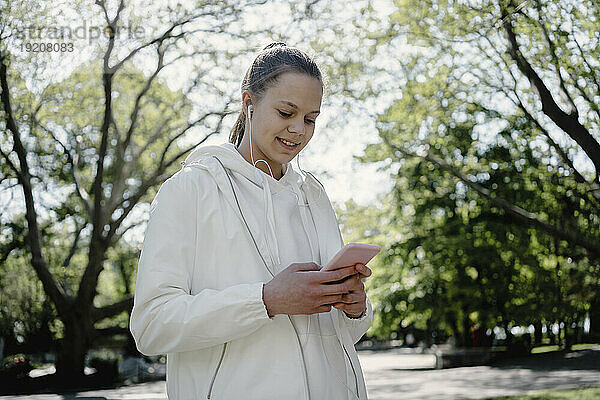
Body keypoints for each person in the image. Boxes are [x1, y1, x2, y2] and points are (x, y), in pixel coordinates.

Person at [130, 42, 373, 399]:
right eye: (286, 112)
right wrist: (265, 300)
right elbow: (152, 325)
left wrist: (353, 306)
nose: (298, 130)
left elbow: (335, 337)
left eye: (310, 119)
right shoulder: (190, 190)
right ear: (249, 103)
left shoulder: (314, 197)